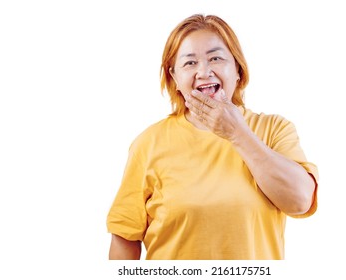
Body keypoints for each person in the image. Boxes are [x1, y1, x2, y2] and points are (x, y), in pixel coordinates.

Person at [106, 14, 318, 260]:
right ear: (174, 78)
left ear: (238, 69)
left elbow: (300, 200)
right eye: (190, 63)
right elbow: (124, 237)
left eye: (215, 58)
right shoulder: (149, 143)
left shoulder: (274, 129)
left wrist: (238, 133)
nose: (204, 72)